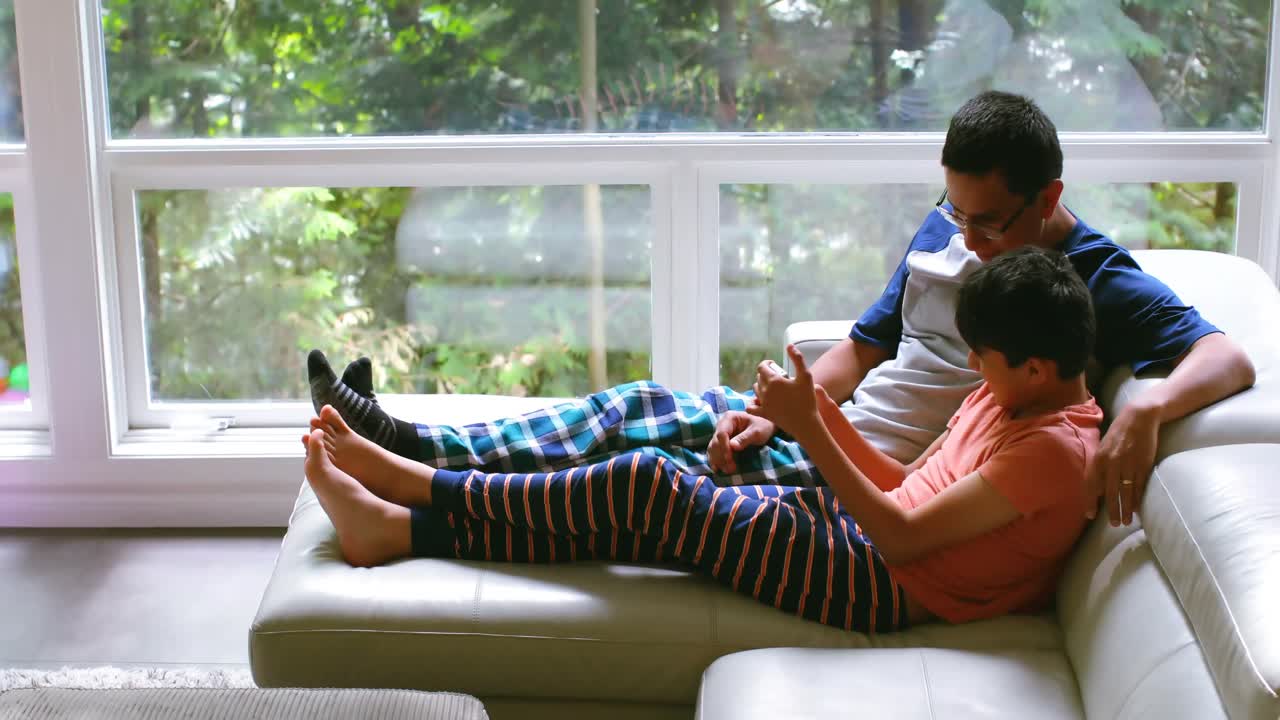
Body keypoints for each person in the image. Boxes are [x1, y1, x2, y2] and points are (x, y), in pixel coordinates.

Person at [309, 90, 1254, 528]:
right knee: (636, 404)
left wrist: (1147, 405)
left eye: (991, 222)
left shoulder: (1091, 275)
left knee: (643, 462)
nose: (968, 238)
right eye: (956, 211)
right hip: (822, 436)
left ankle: (411, 492)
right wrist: (779, 411)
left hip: (875, 479)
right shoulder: (947, 227)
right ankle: (406, 441)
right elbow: (861, 349)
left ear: (1048, 199)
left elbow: (1228, 357)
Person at [302, 246, 1103, 632]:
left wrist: (809, 432)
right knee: (647, 501)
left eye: (983, 357)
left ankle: (418, 485)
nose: (970, 366)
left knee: (645, 483)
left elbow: (899, 534)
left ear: (1035, 367)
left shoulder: (1051, 453)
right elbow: (900, 481)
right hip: (862, 533)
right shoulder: (1014, 399)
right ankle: (400, 530)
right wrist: (815, 418)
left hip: (884, 586)